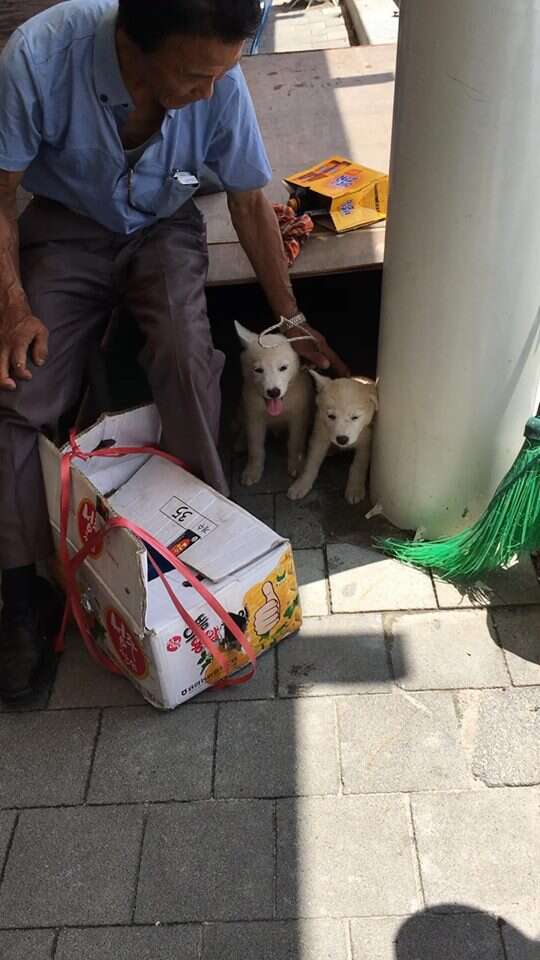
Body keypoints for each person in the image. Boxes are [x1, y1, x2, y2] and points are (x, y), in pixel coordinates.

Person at [0, 0, 347, 703]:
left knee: (190, 359)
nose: (212, 90)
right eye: (195, 75)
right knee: (20, 391)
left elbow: (250, 202)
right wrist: (13, 308)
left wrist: (293, 316)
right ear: (132, 44)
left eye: (224, 72)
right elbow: (0, 196)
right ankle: (19, 592)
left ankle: (206, 555)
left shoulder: (216, 75)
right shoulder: (38, 57)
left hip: (163, 226)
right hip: (66, 224)